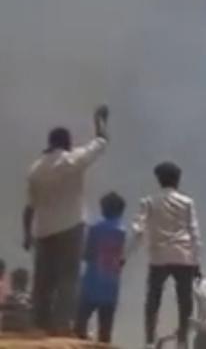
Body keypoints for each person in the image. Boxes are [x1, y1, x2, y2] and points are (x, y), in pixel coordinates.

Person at [24, 105, 109, 334]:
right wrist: (100, 121)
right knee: (68, 278)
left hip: (43, 230)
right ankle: (61, 325)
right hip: (71, 227)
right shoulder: (73, 160)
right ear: (67, 143)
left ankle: (39, 323)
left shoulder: (35, 170)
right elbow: (102, 141)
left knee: (43, 281)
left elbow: (30, 207)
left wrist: (26, 234)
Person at [129, 161, 203, 349]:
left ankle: (149, 341)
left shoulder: (148, 202)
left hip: (159, 256)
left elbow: (138, 230)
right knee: (184, 300)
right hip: (183, 255)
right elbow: (194, 232)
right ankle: (182, 341)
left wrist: (126, 255)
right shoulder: (187, 202)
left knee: (153, 299)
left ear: (159, 180)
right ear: (177, 180)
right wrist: (196, 261)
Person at [75, 192, 127, 343]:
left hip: (92, 282)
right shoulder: (123, 232)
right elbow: (122, 258)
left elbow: (87, 254)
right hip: (111, 286)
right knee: (105, 330)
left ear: (103, 209)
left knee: (80, 322)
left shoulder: (95, 228)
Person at [0, 269, 33, 333]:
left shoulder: (14, 298)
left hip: (14, 327)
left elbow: (20, 307)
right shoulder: (29, 297)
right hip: (23, 328)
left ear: (14, 282)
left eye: (11, 281)